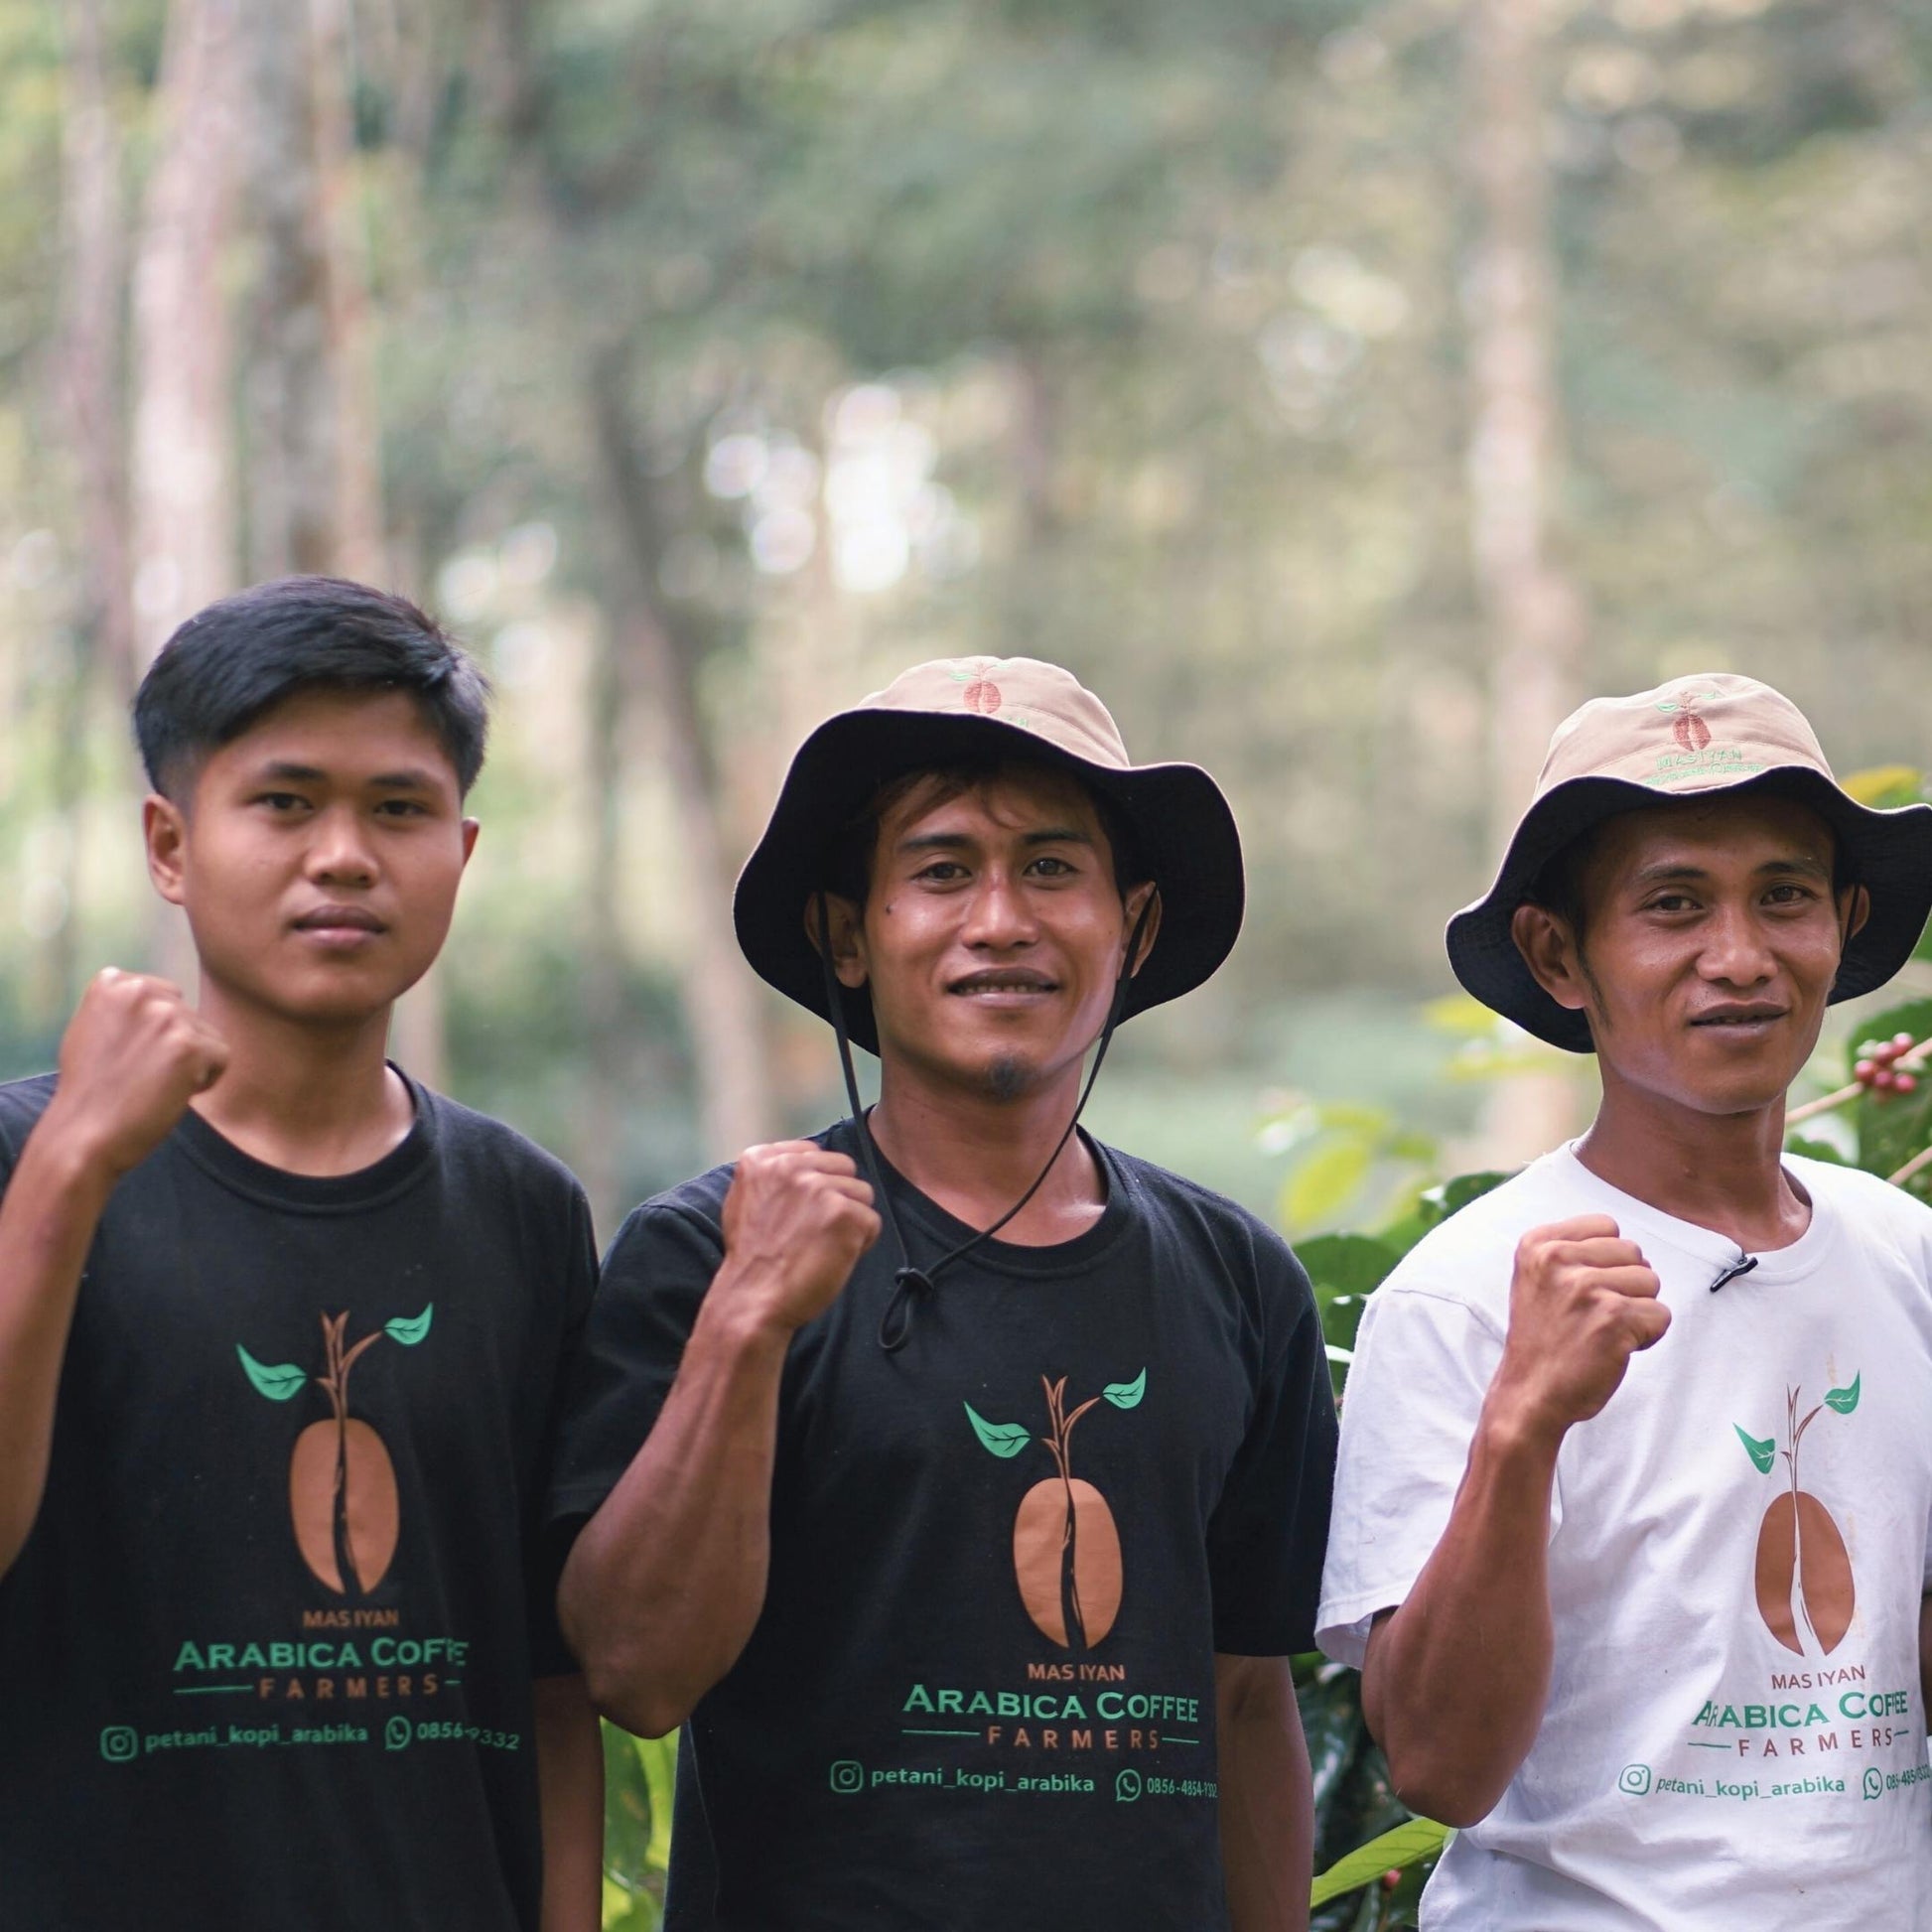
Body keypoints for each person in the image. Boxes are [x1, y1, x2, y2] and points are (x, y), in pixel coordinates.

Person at [552, 657, 1337, 1930]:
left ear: (1129, 924)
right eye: (939, 869)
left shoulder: (1236, 1279)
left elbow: (1246, 1699)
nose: (998, 920)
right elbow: (634, 1674)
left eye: (1047, 867)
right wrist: (748, 1320)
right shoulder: (706, 1250)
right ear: (847, 934)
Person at [0, 578, 603, 1932]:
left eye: (398, 808)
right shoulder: (26, 1157)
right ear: (171, 842)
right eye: (283, 802)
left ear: (463, 845)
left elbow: (553, 1686)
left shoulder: (525, 1210)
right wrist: (70, 1174)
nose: (344, 855)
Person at [1318, 673, 1932, 1927]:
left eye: (1783, 895)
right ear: (1559, 953)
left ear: (1843, 919)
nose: (1740, 955)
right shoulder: (1464, 1292)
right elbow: (1436, 1762)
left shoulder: (1905, 1255)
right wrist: (1520, 1425)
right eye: (1671, 903)